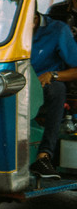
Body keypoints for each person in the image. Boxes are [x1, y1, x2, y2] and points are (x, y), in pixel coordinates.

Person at [30, 11, 77, 177]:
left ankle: (44, 156)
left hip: (43, 86)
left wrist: (53, 75)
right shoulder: (3, 28)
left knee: (58, 89)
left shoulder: (57, 29)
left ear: (35, 18)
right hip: (10, 82)